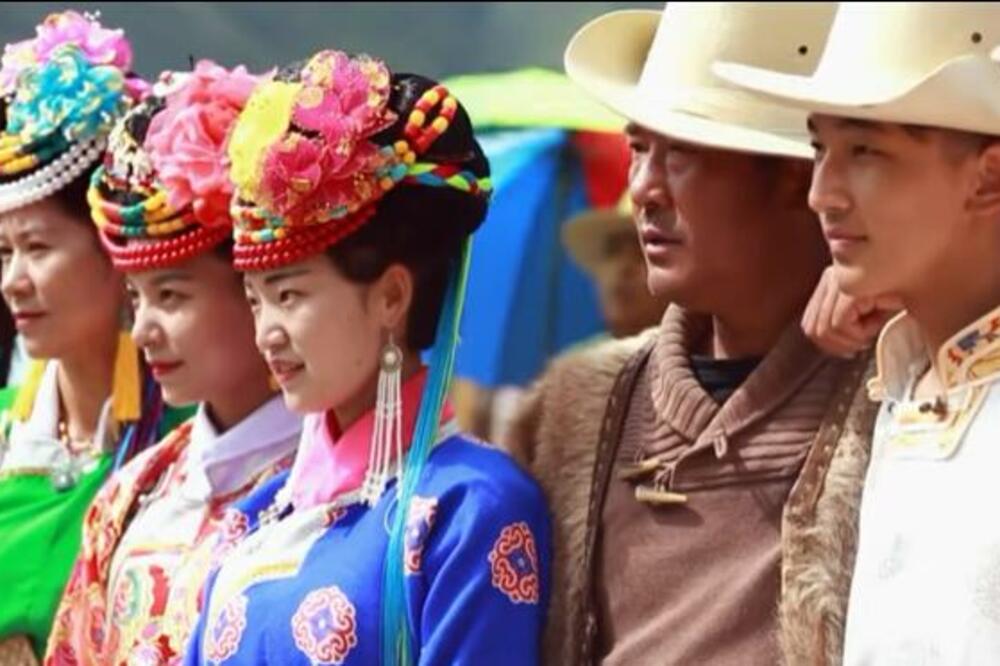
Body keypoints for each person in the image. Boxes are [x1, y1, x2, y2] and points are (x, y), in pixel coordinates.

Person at [504, 4, 878, 664]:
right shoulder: (575, 413)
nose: (642, 189)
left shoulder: (902, 397)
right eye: (639, 149)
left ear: (796, 177)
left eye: (680, 154)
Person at [184, 50, 550, 665]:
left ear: (391, 297)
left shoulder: (472, 509)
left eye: (291, 295)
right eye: (256, 301)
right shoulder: (253, 516)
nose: (267, 333)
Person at [717, 3, 1000, 662]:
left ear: (988, 177)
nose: (823, 192)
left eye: (866, 150)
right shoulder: (900, 380)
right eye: (820, 149)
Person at [44, 61, 302, 666]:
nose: (145, 329)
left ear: (254, 289)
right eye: (135, 298)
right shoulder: (129, 497)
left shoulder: (336, 495)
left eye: (172, 296)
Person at [0, 12, 187, 664]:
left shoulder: (190, 439)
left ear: (115, 255)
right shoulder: (6, 433)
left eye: (38, 248)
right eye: (3, 254)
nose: (14, 281)